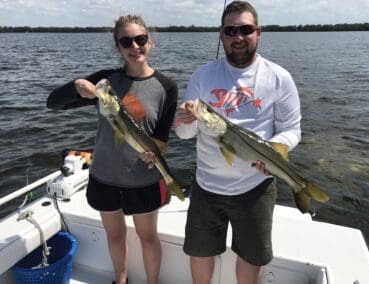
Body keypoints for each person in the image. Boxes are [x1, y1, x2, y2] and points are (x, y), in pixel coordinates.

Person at [174, 1, 301, 284]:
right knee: (200, 253)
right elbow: (184, 135)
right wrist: (186, 119)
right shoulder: (202, 75)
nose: (238, 37)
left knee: (251, 257)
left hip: (256, 187)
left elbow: (292, 130)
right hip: (206, 187)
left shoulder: (279, 77)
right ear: (221, 35)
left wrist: (273, 150)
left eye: (245, 29)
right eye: (231, 31)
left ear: (258, 32)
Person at [47, 15, 178, 284]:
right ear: (118, 47)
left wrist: (156, 156)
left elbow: (162, 138)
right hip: (104, 177)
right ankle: (121, 280)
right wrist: (76, 87)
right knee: (114, 236)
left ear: (150, 42)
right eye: (126, 41)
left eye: (140, 39)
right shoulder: (105, 82)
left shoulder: (167, 87)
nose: (135, 46)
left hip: (144, 180)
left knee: (148, 237)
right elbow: (53, 104)